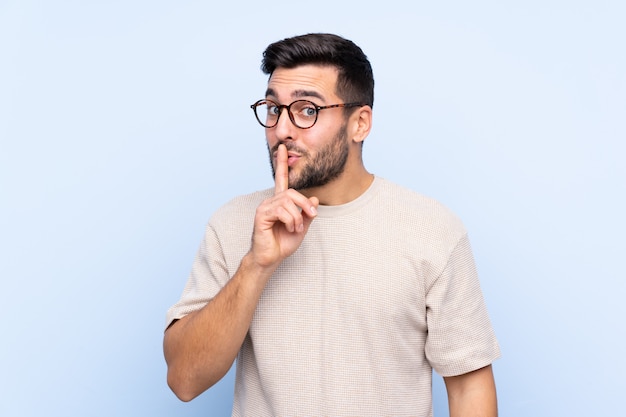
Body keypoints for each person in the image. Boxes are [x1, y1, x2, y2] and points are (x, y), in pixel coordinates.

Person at [163, 33, 501, 416]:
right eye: (273, 109)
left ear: (359, 123)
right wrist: (256, 265)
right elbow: (184, 380)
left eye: (307, 110)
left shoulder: (431, 230)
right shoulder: (233, 222)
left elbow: (469, 389)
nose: (282, 130)